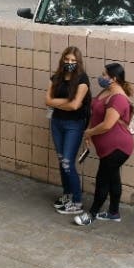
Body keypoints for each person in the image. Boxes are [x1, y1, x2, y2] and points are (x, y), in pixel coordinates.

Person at [74, 63, 134, 226]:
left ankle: (91, 215)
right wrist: (90, 132)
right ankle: (114, 212)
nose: (101, 76)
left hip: (117, 147)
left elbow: (107, 124)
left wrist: (89, 133)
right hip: (109, 147)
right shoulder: (107, 91)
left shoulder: (118, 98)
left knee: (103, 179)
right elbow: (97, 115)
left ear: (113, 79)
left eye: (104, 74)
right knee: (113, 178)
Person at [47, 46, 92, 215]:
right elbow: (47, 100)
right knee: (61, 161)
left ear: (78, 62)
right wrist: (65, 102)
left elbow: (75, 105)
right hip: (57, 123)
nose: (70, 63)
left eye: (73, 60)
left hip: (74, 125)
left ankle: (77, 201)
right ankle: (67, 194)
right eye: (67, 59)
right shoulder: (57, 77)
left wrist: (57, 102)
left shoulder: (82, 80)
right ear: (62, 59)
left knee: (67, 163)